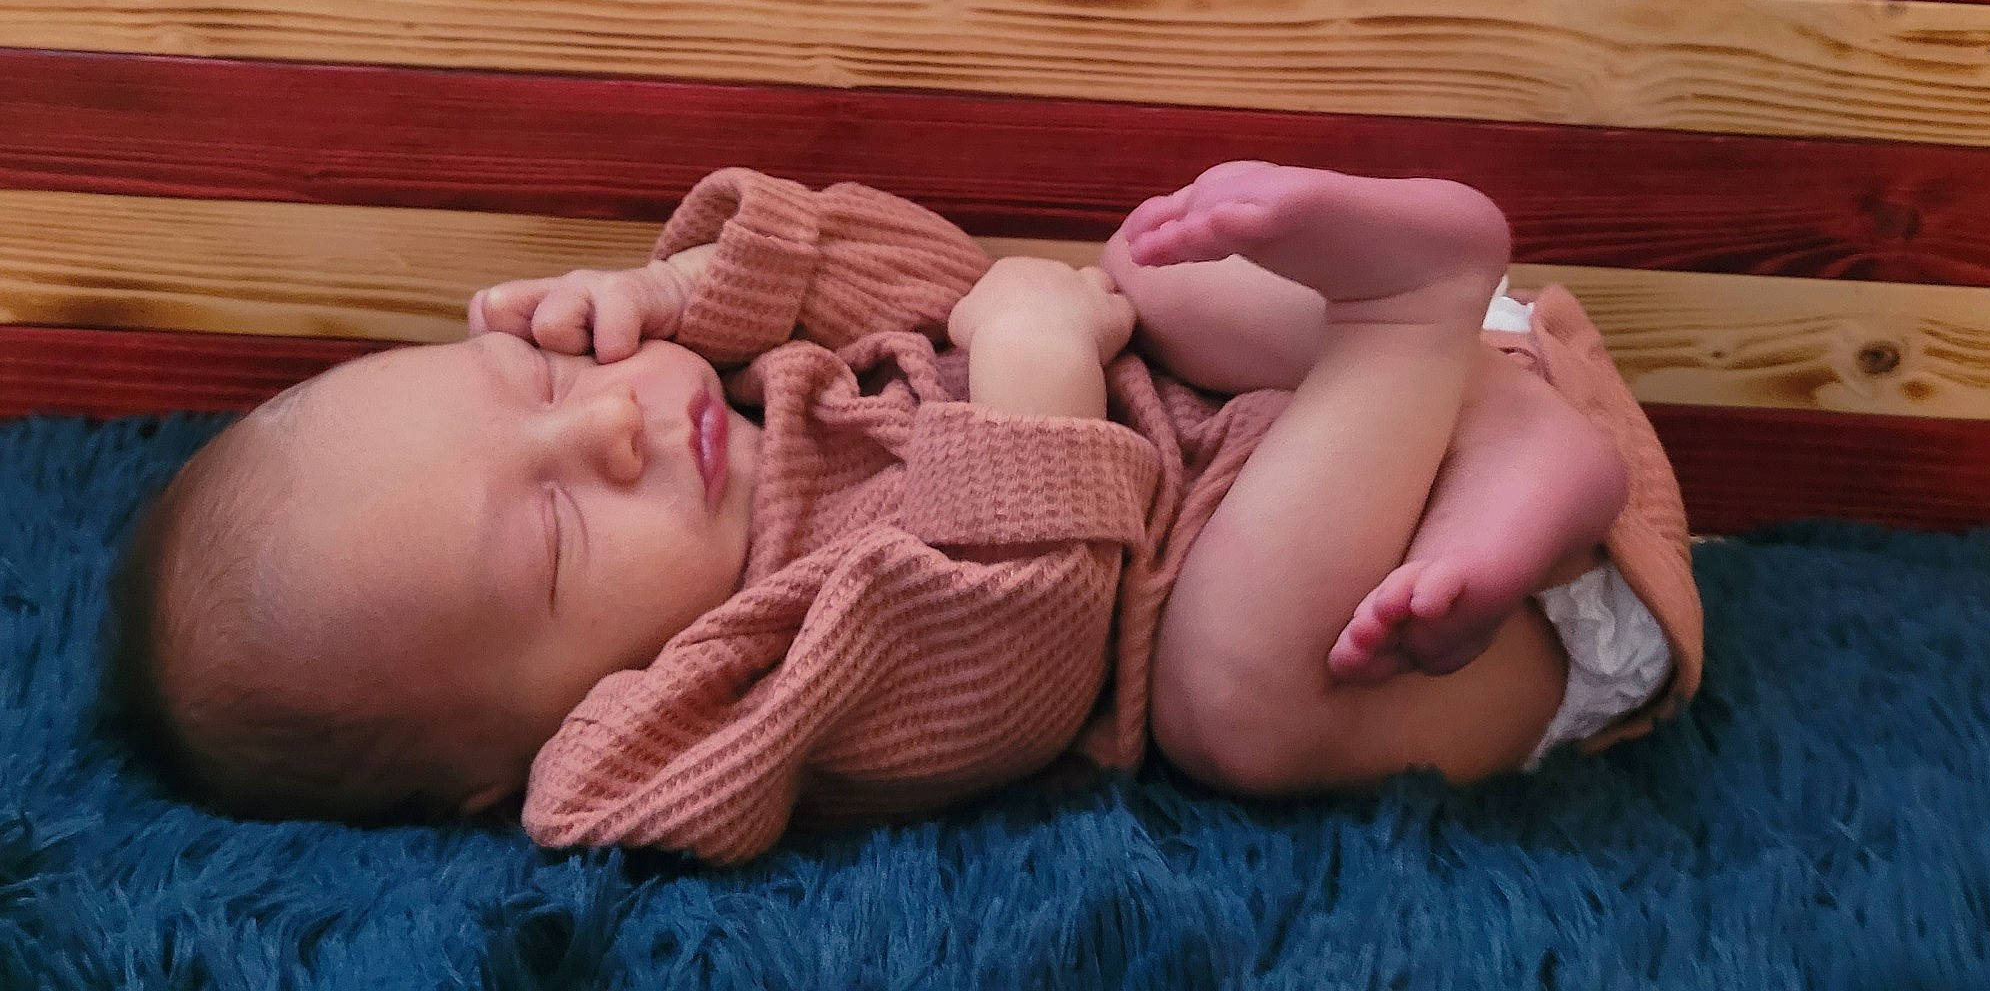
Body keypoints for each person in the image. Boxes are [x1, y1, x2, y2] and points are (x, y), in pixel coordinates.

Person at [112, 162, 1703, 863]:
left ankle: (1468, 370)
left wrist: (682, 288)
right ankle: (1426, 351)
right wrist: (1029, 360)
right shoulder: (740, 685)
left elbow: (925, 265)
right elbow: (1021, 666)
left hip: (1395, 434)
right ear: (520, 754)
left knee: (1143, 270)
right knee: (1228, 694)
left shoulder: (760, 395)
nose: (609, 424)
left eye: (536, 382)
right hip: (1460, 627)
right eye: (554, 539)